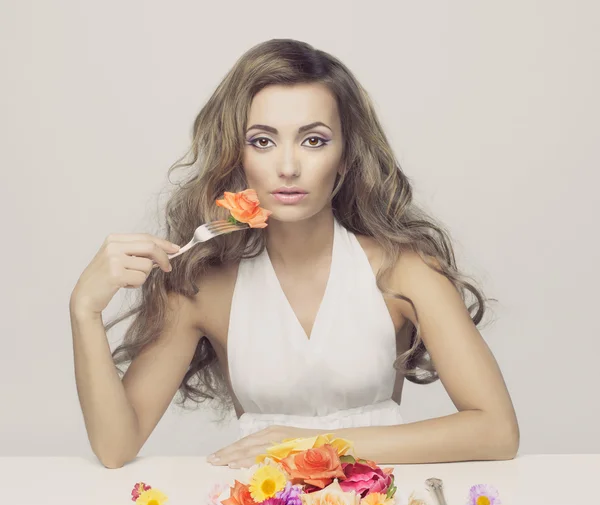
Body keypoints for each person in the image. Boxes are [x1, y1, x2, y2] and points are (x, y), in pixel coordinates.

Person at [69, 39, 519, 470]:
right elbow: (115, 447)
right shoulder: (202, 286)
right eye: (263, 141)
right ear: (237, 156)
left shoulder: (404, 269)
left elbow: (497, 431)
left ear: (345, 158)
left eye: (314, 140)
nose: (287, 167)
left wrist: (314, 446)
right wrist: (84, 309)